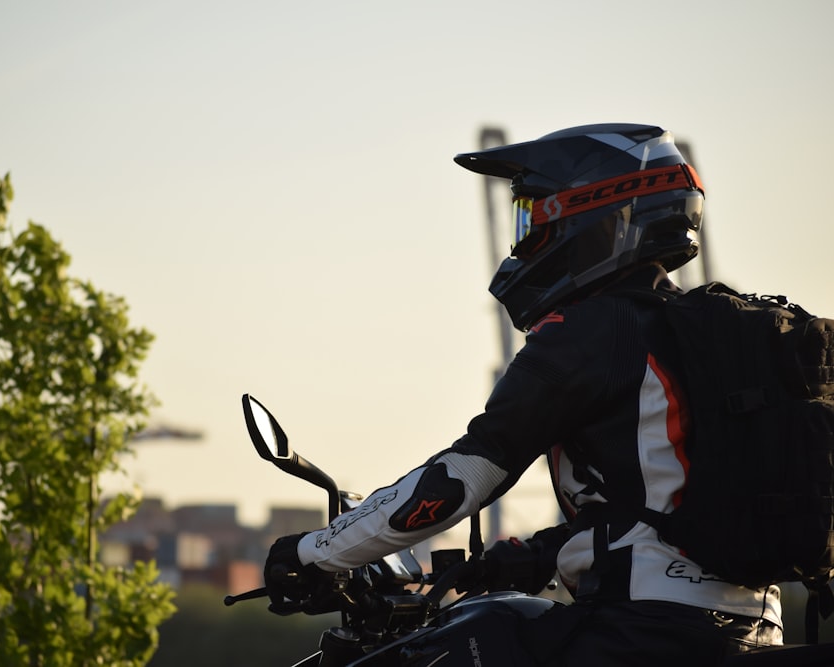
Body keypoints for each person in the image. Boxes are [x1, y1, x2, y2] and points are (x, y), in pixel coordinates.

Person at [263, 123, 783, 665]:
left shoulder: (593, 330)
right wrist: (529, 557)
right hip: (748, 628)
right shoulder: (696, 335)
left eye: (534, 219)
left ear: (595, 216)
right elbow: (663, 503)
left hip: (639, 631)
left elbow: (463, 476)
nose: (526, 240)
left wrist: (314, 553)